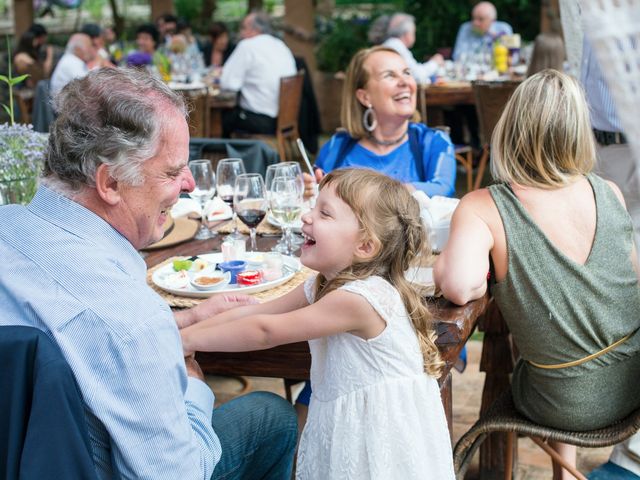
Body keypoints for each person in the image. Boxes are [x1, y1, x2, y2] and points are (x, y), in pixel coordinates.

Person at [0, 67, 297, 479]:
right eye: (174, 172)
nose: (191, 183)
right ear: (111, 183)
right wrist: (194, 384)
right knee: (272, 416)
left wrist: (177, 323)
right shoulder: (132, 322)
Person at [181, 168, 456, 480]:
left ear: (365, 246)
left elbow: (265, 332)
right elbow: (261, 313)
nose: (307, 217)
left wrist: (187, 343)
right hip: (348, 421)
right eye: (313, 206)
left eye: (324, 213)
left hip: (381, 432)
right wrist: (185, 334)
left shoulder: (361, 298)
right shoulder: (324, 283)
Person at [434, 69, 640, 480]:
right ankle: (564, 473)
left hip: (561, 402)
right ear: (579, 133)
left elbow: (459, 286)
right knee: (567, 329)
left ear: (510, 126)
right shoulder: (609, 191)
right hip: (631, 385)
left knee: (529, 355)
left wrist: (446, 263)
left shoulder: (484, 205)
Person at [303, 46, 456, 198]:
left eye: (407, 73)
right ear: (364, 97)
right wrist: (307, 191)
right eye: (389, 75)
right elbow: (317, 193)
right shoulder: (337, 146)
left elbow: (442, 189)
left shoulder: (433, 141)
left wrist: (371, 194)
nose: (404, 82)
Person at [220, 11, 296, 137]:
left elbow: (228, 83)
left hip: (259, 120)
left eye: (243, 28)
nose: (241, 33)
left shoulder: (247, 46)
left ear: (253, 29)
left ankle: (226, 156)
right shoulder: (280, 45)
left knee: (222, 118)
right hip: (284, 119)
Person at [369, 13, 444, 84]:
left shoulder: (392, 44)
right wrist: (435, 63)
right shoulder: (396, 46)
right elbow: (417, 76)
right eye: (414, 32)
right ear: (407, 34)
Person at [50, 33, 97, 98]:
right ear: (77, 49)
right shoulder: (71, 62)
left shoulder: (71, 59)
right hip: (67, 105)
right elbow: (90, 85)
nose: (91, 50)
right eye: (89, 47)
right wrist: (97, 62)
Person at [13, 24, 54, 89]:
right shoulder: (23, 58)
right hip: (25, 90)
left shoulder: (28, 54)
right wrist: (50, 55)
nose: (37, 42)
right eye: (35, 40)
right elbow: (43, 74)